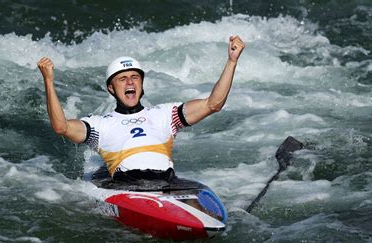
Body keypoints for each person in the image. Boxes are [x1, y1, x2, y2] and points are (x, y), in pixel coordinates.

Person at [37, 36, 245, 185]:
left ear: (142, 84)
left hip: (167, 183)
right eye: (122, 79)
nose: (130, 82)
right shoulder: (100, 125)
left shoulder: (166, 115)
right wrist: (48, 80)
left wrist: (232, 61)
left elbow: (213, 104)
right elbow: (61, 127)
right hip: (126, 186)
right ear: (111, 88)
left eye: (135, 77)